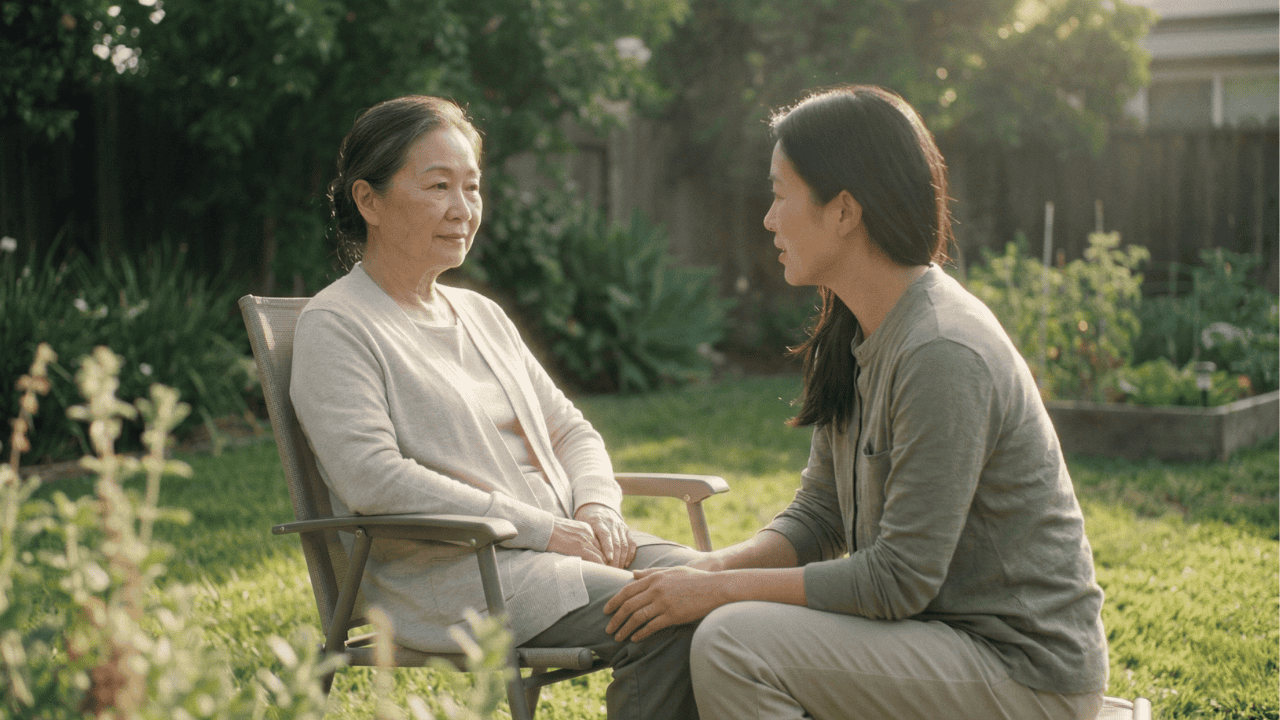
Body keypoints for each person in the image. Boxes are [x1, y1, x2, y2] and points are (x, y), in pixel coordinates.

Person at [604, 85, 1109, 720]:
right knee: (707, 612)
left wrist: (716, 591)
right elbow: (820, 517)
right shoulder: (856, 329)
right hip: (934, 642)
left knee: (733, 642)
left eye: (780, 194)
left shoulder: (942, 351)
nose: (768, 219)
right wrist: (702, 573)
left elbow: (897, 580)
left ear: (843, 211)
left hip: (1023, 673)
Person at [290, 95, 699, 720]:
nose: (463, 209)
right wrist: (546, 531)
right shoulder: (337, 325)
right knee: (670, 615)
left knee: (720, 590)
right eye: (439, 186)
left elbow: (572, 430)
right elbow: (373, 478)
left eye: (472, 186)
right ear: (368, 200)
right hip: (463, 578)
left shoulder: (480, 313)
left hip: (562, 551)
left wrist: (596, 505)